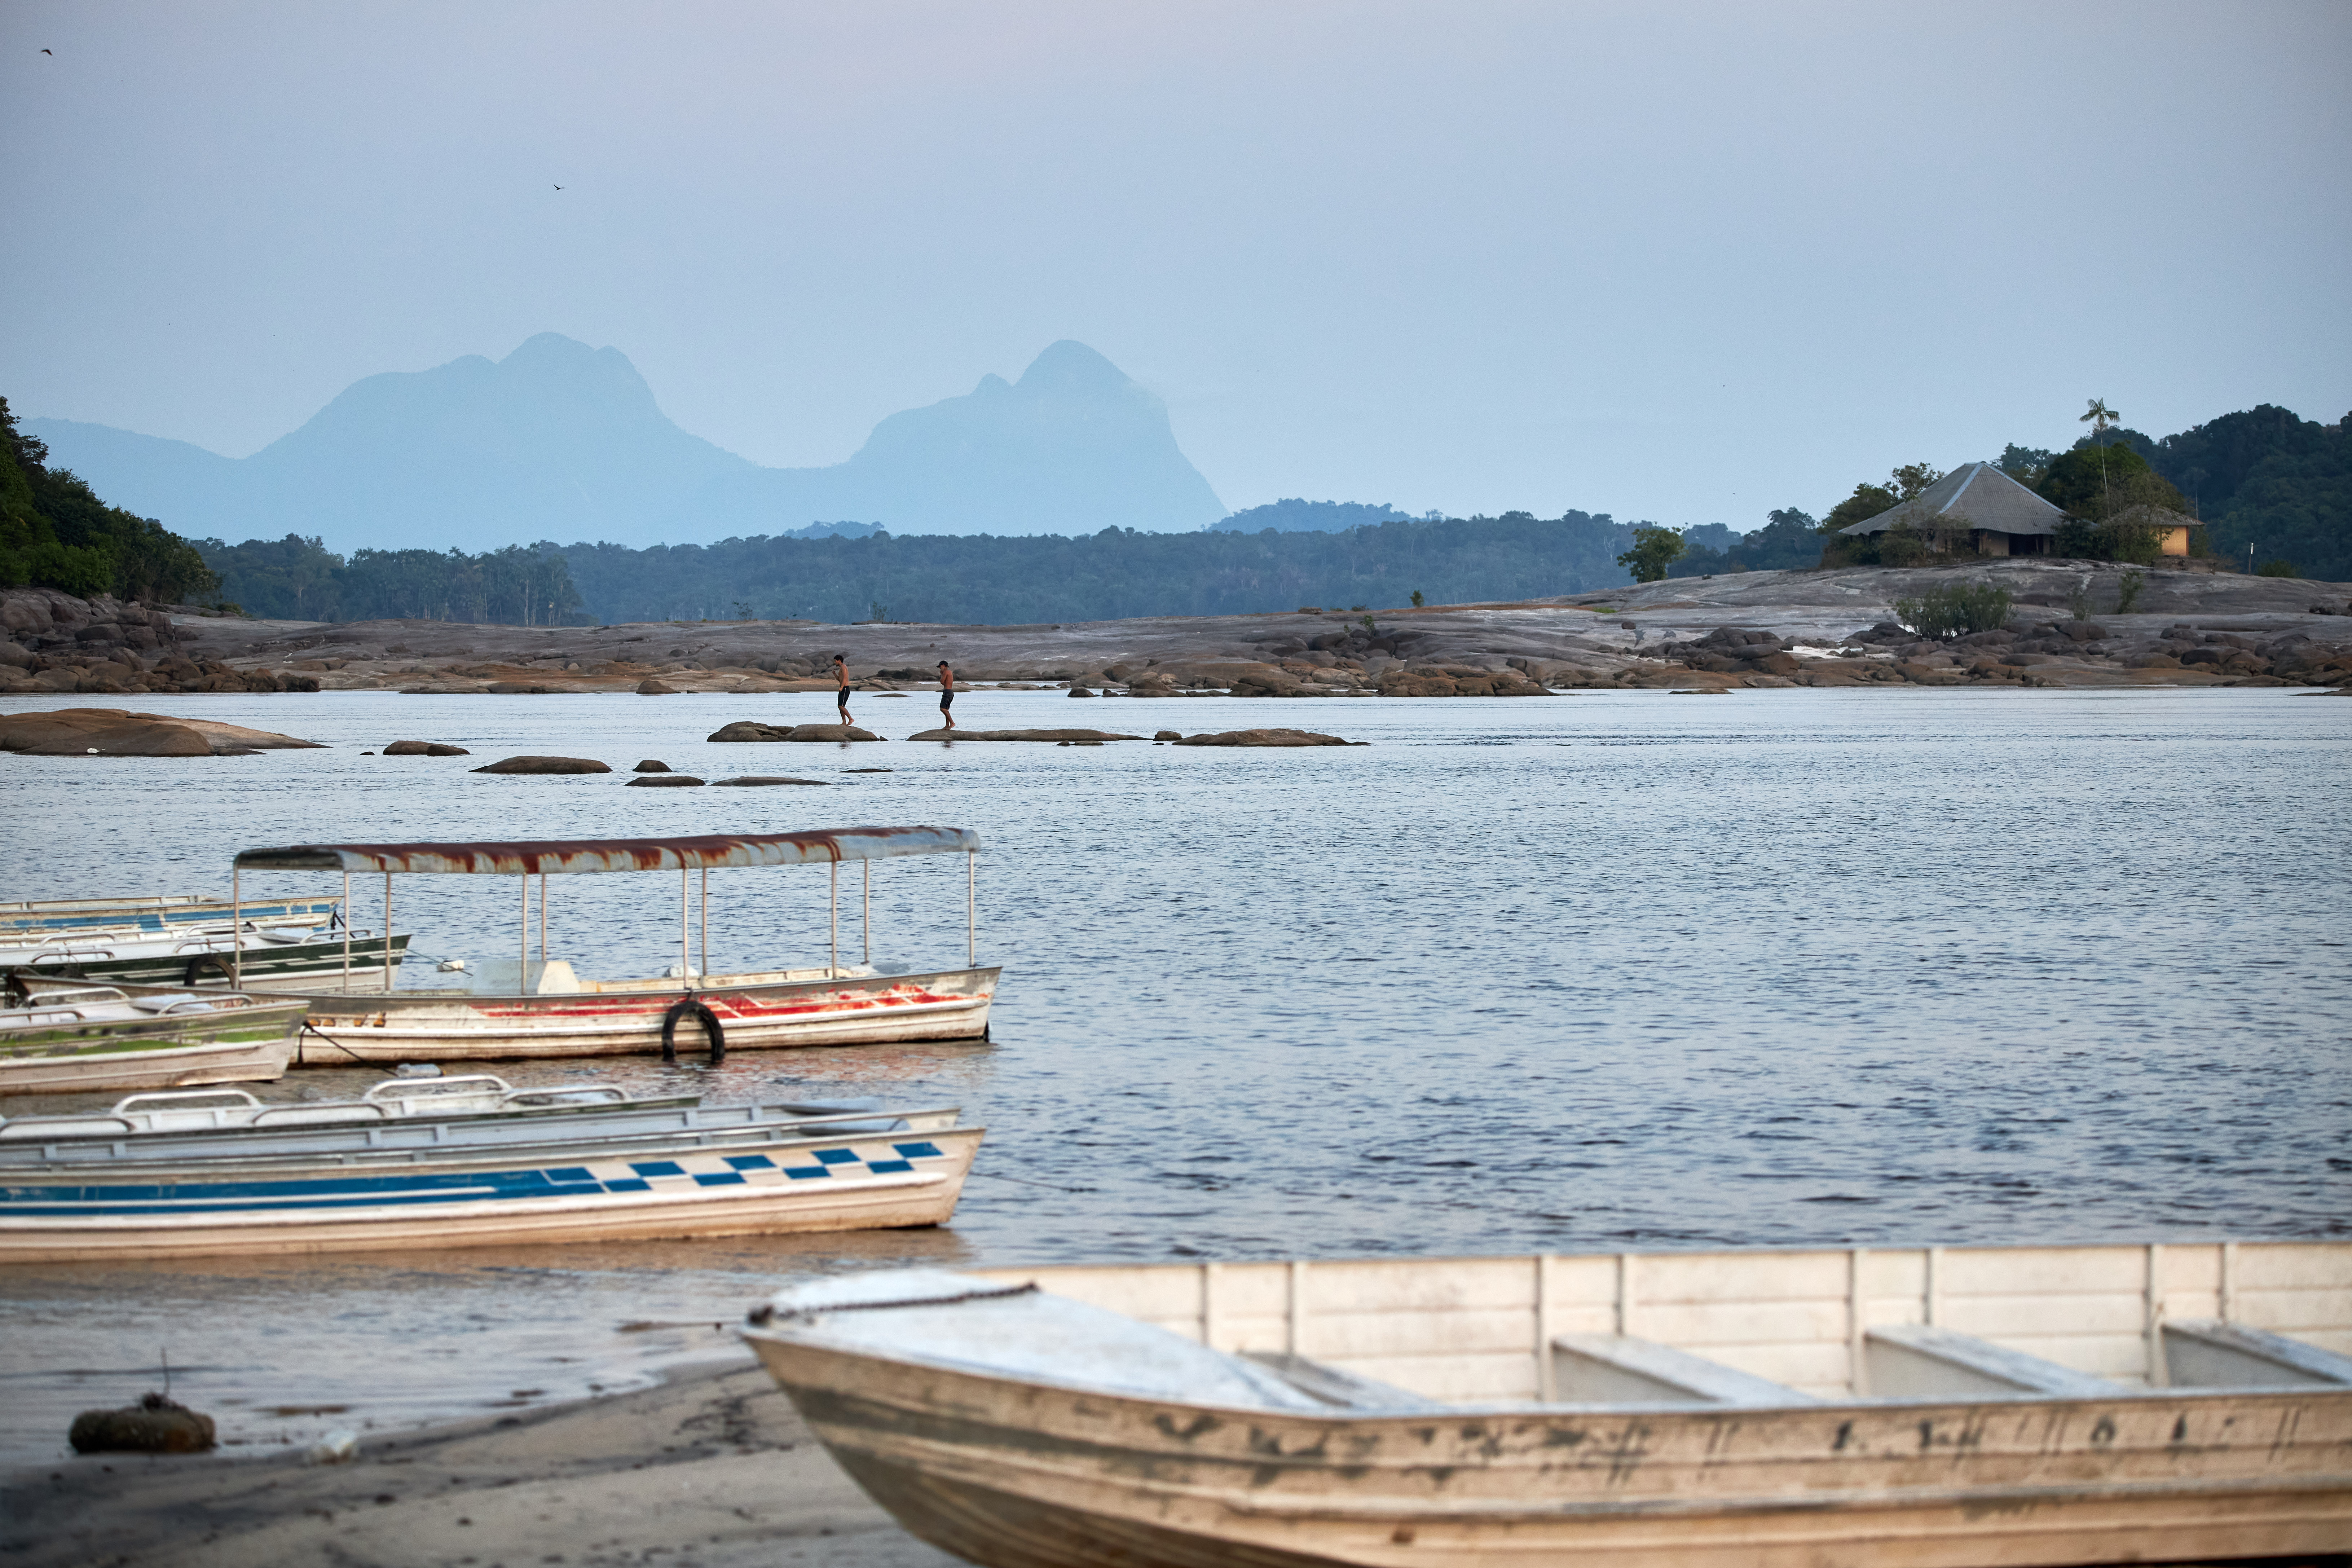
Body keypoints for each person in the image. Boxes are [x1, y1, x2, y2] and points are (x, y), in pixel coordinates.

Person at [832, 653, 852, 726]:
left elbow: (845, 679)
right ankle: (844, 722)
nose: (835, 662)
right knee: (840, 706)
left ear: (839, 661)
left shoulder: (844, 667)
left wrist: (842, 687)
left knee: (841, 706)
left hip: (845, 688)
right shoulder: (841, 668)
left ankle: (851, 719)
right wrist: (835, 674)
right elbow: (840, 679)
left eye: (836, 661)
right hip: (843, 688)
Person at [936, 660, 956, 730]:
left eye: (940, 667)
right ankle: (947, 725)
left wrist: (942, 674)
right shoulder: (949, 672)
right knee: (946, 709)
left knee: (943, 709)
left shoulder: (946, 672)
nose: (940, 668)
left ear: (944, 666)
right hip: (950, 692)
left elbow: (942, 681)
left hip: (948, 692)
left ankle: (952, 723)